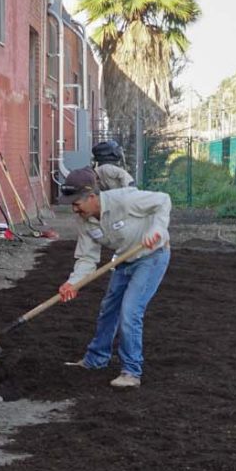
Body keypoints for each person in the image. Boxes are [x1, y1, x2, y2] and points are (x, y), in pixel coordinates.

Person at [57, 165, 170, 389]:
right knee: (109, 308)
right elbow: (88, 259)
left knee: (130, 310)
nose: (74, 210)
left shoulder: (125, 200)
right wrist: (74, 282)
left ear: (91, 197)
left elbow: (163, 200)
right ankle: (96, 359)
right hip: (124, 260)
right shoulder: (85, 220)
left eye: (76, 204)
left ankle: (131, 371)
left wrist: (155, 229)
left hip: (151, 256)